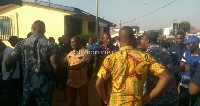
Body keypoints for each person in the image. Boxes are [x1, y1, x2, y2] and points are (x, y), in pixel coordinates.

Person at [95, 26, 172, 106]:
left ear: (118, 39)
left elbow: (98, 84)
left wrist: (106, 100)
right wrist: (150, 96)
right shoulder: (145, 57)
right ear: (134, 39)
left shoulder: (110, 58)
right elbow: (166, 77)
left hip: (116, 103)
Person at [5, 20, 62, 106]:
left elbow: (9, 61)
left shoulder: (22, 43)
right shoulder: (51, 45)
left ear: (33, 29)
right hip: (45, 86)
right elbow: (55, 66)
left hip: (28, 85)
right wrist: (58, 81)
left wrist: (9, 69)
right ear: (44, 30)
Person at [139, 32, 178, 105]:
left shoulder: (148, 54)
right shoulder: (165, 50)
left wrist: (149, 96)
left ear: (147, 41)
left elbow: (165, 77)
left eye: (141, 39)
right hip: (170, 95)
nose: (139, 42)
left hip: (157, 97)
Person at [62, 36, 91, 106]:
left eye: (73, 42)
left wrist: (68, 68)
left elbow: (82, 64)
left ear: (78, 42)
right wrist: (63, 64)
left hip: (82, 83)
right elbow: (64, 61)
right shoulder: (71, 53)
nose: (71, 44)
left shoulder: (86, 52)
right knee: (71, 102)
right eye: (71, 42)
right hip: (71, 82)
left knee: (84, 102)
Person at [179, 35, 200, 106]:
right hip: (184, 84)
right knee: (183, 102)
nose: (187, 46)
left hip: (196, 86)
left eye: (189, 44)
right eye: (186, 44)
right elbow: (181, 66)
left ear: (196, 44)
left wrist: (191, 68)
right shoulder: (186, 53)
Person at [0, 41, 20, 106]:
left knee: (12, 97)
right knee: (10, 96)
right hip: (7, 77)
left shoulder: (10, 51)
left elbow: (14, 64)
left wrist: (10, 75)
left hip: (11, 78)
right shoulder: (6, 52)